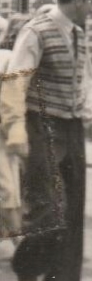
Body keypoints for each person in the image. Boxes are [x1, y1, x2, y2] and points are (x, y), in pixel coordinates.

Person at [1, 0, 92, 281]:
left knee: (73, 207)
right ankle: (27, 270)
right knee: (47, 204)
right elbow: (15, 82)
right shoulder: (37, 32)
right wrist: (15, 130)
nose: (91, 8)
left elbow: (86, 83)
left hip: (73, 125)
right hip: (42, 123)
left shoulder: (78, 35)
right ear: (77, 0)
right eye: (89, 1)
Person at [0, 13, 31, 238]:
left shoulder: (10, 58)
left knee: (11, 187)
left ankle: (15, 238)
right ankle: (19, 244)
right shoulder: (7, 58)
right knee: (7, 188)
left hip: (7, 129)